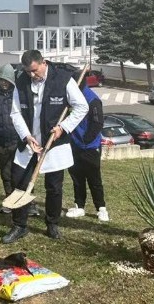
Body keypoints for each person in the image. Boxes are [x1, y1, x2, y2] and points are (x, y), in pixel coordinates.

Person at [1, 50, 88, 244]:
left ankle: (52, 223)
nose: (32, 75)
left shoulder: (63, 79)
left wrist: (63, 127)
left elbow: (82, 106)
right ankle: (20, 226)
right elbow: (15, 113)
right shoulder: (21, 82)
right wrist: (27, 136)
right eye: (28, 71)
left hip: (53, 144)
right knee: (19, 182)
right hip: (29, 144)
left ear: (44, 63)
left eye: (34, 70)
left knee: (54, 187)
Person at [0, 64, 39, 216]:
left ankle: (30, 204)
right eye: (1, 80)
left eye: (7, 80)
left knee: (24, 173)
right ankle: (9, 202)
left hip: (18, 141)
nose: (4, 83)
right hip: (0, 142)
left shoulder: (19, 93)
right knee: (6, 174)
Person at [65, 70, 109, 222]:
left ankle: (101, 208)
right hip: (74, 144)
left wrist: (86, 140)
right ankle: (79, 206)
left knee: (94, 179)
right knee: (77, 178)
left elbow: (98, 123)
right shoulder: (70, 98)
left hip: (90, 146)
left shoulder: (92, 99)